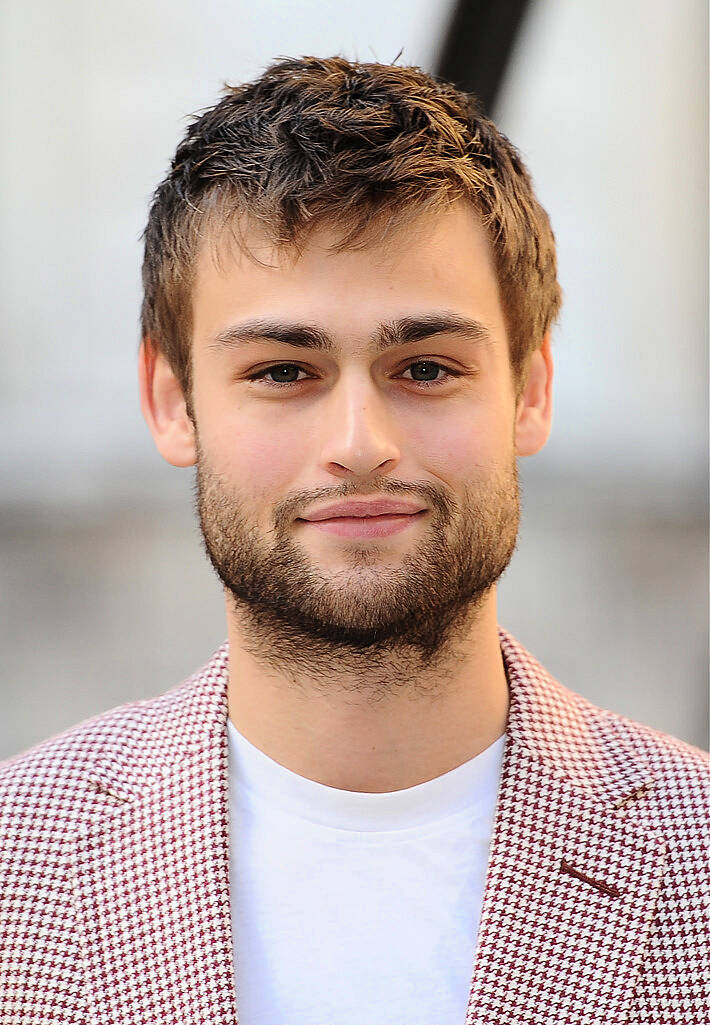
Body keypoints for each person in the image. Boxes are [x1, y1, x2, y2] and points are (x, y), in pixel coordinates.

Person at [0, 55, 707, 1025]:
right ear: (171, 402)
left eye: (422, 366)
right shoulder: (20, 859)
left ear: (530, 390)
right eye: (284, 371)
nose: (357, 447)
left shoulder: (695, 851)